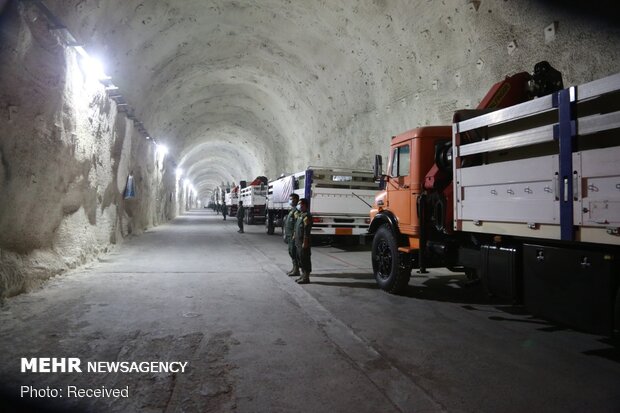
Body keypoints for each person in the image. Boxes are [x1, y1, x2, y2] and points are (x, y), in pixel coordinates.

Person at [294, 198, 312, 284]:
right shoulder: (301, 215)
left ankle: (306, 277)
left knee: (305, 259)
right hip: (298, 241)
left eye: (300, 204)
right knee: (300, 258)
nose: (299, 205)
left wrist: (305, 241)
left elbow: (306, 230)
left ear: (304, 205)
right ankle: (302, 275)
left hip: (303, 241)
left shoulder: (307, 216)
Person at [284, 193, 300, 277]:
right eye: (290, 199)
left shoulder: (296, 211)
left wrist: (294, 235)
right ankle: (294, 268)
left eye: (292, 199)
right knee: (291, 252)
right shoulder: (292, 210)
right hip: (289, 235)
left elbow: (297, 225)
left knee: (294, 252)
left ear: (296, 200)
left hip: (293, 236)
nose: (290, 200)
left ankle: (296, 270)